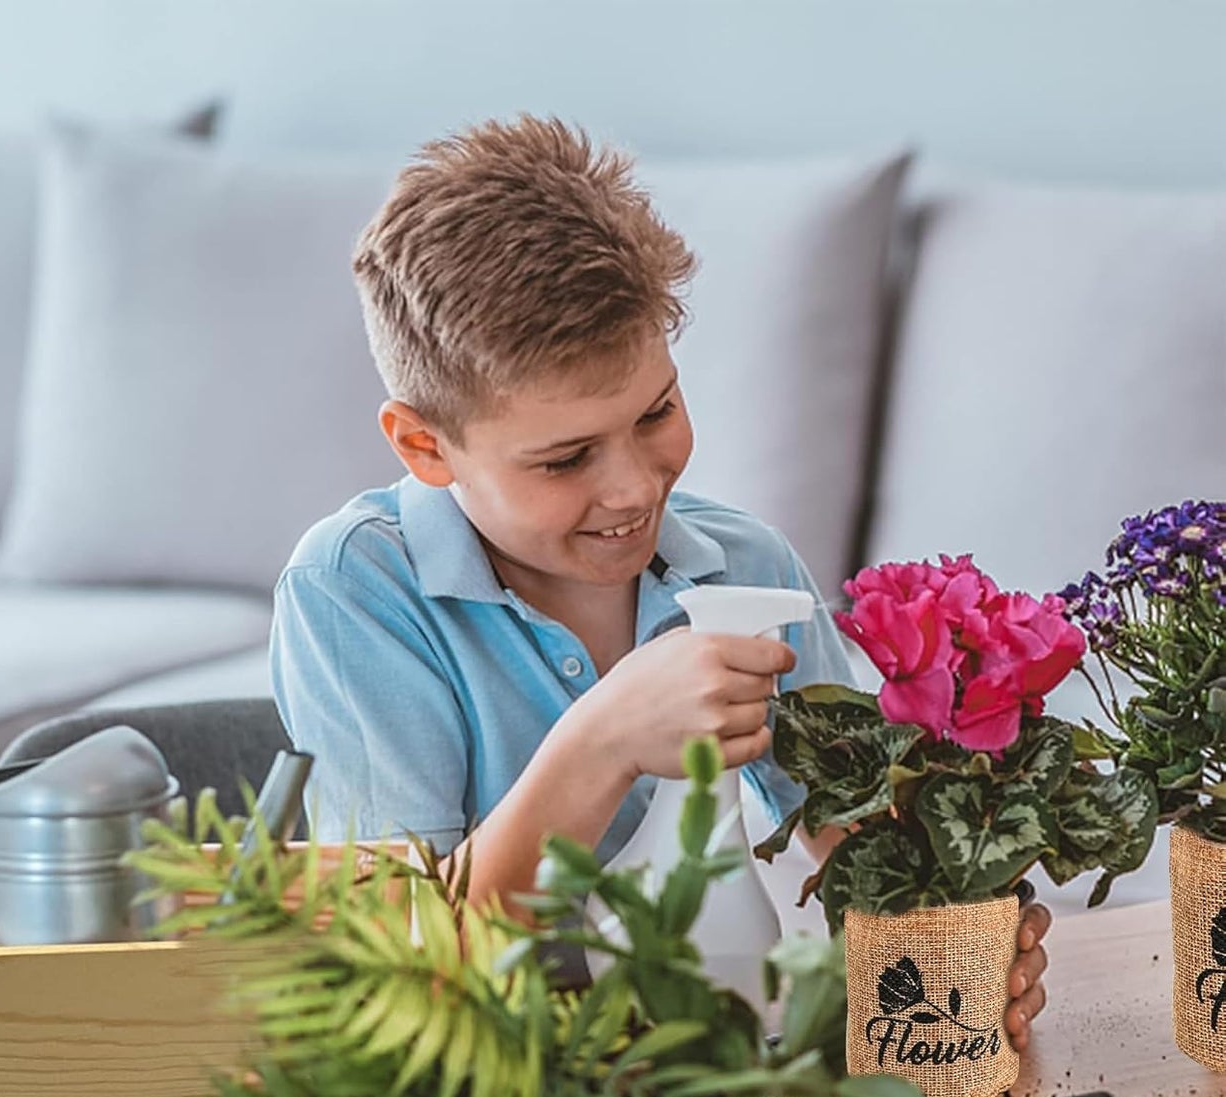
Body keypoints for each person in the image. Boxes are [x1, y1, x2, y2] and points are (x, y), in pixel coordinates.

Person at [269, 115, 1051, 1048]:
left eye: (657, 412)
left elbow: (865, 852)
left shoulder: (745, 568)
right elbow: (401, 971)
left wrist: (955, 945)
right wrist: (599, 743)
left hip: (698, 1073)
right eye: (564, 460)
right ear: (423, 446)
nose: (634, 488)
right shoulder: (351, 589)